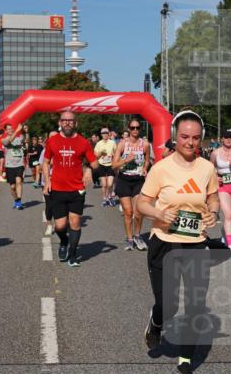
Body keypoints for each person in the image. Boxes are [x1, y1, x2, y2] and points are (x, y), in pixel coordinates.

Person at [138, 110, 219, 374]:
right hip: (164, 243)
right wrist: (158, 215)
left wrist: (213, 214)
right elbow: (142, 203)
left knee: (196, 305)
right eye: (185, 137)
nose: (190, 143)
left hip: (195, 244)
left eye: (196, 138)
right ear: (175, 136)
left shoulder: (207, 168)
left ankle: (185, 363)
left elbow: (213, 197)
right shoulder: (161, 168)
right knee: (168, 305)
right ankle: (157, 322)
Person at [43, 113, 99, 267]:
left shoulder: (83, 142)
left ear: (76, 123)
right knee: (60, 226)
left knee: (75, 223)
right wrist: (47, 182)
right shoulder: (52, 141)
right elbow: (46, 162)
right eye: (64, 120)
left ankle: (73, 255)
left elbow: (95, 164)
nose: (67, 123)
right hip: (57, 189)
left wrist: (87, 169)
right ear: (60, 122)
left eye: (70, 121)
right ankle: (64, 242)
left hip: (76, 189)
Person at [112, 118, 152, 251]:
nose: (135, 130)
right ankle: (129, 239)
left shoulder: (145, 144)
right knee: (128, 212)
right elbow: (114, 165)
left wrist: (145, 168)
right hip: (124, 180)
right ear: (129, 129)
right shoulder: (122, 144)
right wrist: (125, 160)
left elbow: (147, 160)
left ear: (140, 129)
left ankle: (138, 236)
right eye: (132, 128)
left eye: (137, 128)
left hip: (138, 180)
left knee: (138, 212)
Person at [1, 122, 27, 209]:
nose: (11, 130)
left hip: (19, 164)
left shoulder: (19, 138)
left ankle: (19, 201)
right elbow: (10, 141)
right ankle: (16, 200)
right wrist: (17, 131)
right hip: (9, 166)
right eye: (9, 129)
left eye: (12, 128)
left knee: (19, 182)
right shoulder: (4, 140)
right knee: (12, 187)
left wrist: (24, 131)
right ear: (6, 131)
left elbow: (26, 139)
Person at [93, 127, 117, 207]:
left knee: (110, 184)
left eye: (106, 133)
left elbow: (116, 152)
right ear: (101, 134)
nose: (105, 134)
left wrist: (114, 156)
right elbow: (95, 155)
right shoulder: (99, 143)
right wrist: (101, 153)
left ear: (108, 134)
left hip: (110, 165)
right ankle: (104, 199)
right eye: (103, 133)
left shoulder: (112, 143)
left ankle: (109, 197)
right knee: (104, 184)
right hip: (102, 165)